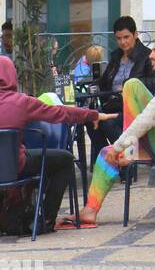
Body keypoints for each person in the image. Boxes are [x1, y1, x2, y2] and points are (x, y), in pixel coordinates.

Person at [58, 34, 155, 229]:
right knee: (106, 153)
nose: (151, 55)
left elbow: (149, 117)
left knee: (131, 85)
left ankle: (125, 153)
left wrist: (121, 144)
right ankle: (90, 211)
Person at [0, 56, 112, 232]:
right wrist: (93, 114)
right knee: (65, 160)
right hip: (16, 166)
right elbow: (60, 113)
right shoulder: (21, 102)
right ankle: (45, 218)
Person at [91, 17, 155, 165]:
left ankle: (127, 162)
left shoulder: (147, 56)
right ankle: (109, 161)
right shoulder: (116, 56)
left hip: (134, 108)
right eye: (119, 38)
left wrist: (129, 85)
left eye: (126, 37)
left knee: (108, 123)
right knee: (91, 119)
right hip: (113, 105)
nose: (123, 42)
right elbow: (105, 80)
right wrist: (93, 85)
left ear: (135, 34)